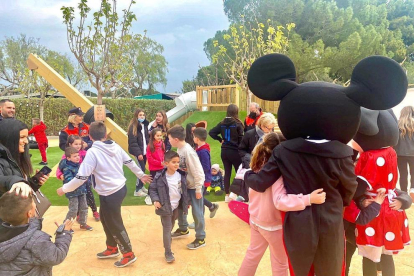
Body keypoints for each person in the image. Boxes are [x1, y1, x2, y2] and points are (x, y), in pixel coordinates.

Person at [57, 121, 152, 268]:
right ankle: (112, 247)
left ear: (89, 136)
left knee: (114, 222)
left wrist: (64, 188)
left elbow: (81, 178)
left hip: (111, 192)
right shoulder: (114, 146)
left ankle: (128, 254)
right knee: (106, 219)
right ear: (105, 134)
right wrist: (140, 175)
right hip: (116, 189)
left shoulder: (92, 152)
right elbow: (129, 162)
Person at [240, 132, 326, 276]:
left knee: (252, 255)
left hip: (256, 220)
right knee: (280, 263)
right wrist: (308, 199)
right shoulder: (277, 172)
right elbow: (280, 201)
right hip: (273, 226)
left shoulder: (256, 164)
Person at [0, 191, 74, 274]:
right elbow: (56, 256)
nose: (35, 204)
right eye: (33, 203)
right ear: (30, 213)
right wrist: (64, 233)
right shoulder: (37, 240)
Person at [168, 125, 206, 249]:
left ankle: (200, 238)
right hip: (186, 185)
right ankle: (183, 228)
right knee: (181, 207)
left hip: (195, 186)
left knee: (197, 212)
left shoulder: (188, 151)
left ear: (176, 139)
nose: (168, 141)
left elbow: (198, 171)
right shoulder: (179, 150)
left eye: (169, 138)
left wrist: (199, 189)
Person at [149, 150, 188, 263]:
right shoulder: (159, 176)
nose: (176, 164)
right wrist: (156, 200)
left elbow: (183, 191)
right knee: (167, 228)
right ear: (166, 163)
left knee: (172, 223)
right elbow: (152, 189)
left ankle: (168, 238)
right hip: (165, 206)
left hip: (176, 206)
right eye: (173, 162)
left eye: (178, 162)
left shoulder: (181, 175)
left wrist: (186, 202)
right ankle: (168, 252)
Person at [0, 119, 49, 198]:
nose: (26, 141)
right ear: (9, 138)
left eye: (26, 137)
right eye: (22, 137)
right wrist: (15, 181)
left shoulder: (18, 157)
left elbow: (21, 193)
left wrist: (35, 182)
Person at [56, 135, 100, 222]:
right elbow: (60, 168)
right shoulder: (66, 156)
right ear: (70, 144)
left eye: (80, 144)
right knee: (76, 199)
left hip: (85, 179)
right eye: (76, 144)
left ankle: (94, 211)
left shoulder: (85, 153)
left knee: (89, 195)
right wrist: (60, 175)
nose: (78, 146)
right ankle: (79, 214)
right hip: (74, 181)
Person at [209, 104, 244, 202]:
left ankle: (227, 195)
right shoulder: (238, 123)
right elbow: (241, 139)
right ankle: (238, 194)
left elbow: (211, 132)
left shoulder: (222, 123)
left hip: (224, 151)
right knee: (239, 173)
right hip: (235, 151)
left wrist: (220, 139)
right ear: (236, 111)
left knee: (227, 173)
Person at [59, 147, 93, 232]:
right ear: (68, 158)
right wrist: (81, 179)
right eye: (74, 156)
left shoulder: (79, 164)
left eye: (78, 155)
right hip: (72, 193)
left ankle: (83, 223)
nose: (78, 157)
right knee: (73, 209)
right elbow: (69, 180)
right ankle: (65, 225)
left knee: (84, 207)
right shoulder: (67, 168)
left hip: (82, 190)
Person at [193, 127, 219, 219]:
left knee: (198, 199)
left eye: (193, 136)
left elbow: (206, 167)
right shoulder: (200, 148)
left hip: (203, 178)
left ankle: (200, 219)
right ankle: (212, 207)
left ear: (197, 138)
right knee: (199, 198)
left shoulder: (203, 151)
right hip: (201, 178)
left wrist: (195, 170)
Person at [128, 108, 150, 197]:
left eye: (143, 115)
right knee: (140, 170)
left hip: (144, 151)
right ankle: (137, 189)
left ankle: (141, 187)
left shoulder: (144, 126)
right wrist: (138, 153)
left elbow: (146, 139)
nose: (142, 116)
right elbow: (133, 142)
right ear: (136, 116)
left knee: (142, 169)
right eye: (140, 115)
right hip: (139, 152)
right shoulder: (133, 127)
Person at [394, 106, 414, 197]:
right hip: (413, 154)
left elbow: (394, 140)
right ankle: (413, 190)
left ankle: (404, 193)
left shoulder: (397, 124)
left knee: (403, 174)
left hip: (400, 153)